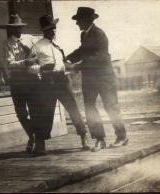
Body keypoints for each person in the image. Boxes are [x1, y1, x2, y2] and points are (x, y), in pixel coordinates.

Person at [66, 7, 128, 152]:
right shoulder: (84, 35)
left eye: (79, 21)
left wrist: (77, 66)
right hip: (89, 79)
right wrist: (66, 58)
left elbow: (100, 58)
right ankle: (100, 139)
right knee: (89, 108)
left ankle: (122, 136)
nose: (77, 24)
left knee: (111, 106)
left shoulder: (100, 34)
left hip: (105, 78)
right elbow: (82, 51)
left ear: (87, 20)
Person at [27, 15, 89, 155]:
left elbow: (63, 65)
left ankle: (84, 138)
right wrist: (41, 69)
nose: (53, 31)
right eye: (50, 29)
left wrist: (73, 67)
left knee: (73, 107)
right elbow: (29, 68)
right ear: (44, 30)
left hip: (62, 81)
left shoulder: (57, 47)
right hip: (47, 82)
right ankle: (40, 144)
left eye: (54, 28)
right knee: (45, 113)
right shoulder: (37, 47)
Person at [4, 14, 39, 153]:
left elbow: (39, 54)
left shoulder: (30, 39)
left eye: (20, 27)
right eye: (15, 28)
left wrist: (32, 57)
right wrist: (24, 62)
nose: (18, 30)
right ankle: (32, 136)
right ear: (11, 29)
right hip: (17, 80)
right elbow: (9, 63)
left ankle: (37, 139)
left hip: (31, 79)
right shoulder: (7, 43)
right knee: (21, 113)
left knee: (34, 110)